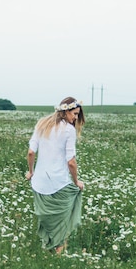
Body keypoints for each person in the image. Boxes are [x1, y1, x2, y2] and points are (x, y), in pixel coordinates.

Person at [26, 96, 86, 254]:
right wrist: (76, 181)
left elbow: (31, 152)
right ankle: (57, 259)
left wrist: (31, 172)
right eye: (74, 113)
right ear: (65, 112)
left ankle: (48, 252)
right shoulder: (68, 130)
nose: (75, 118)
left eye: (77, 115)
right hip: (58, 183)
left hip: (38, 184)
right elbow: (71, 162)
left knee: (49, 222)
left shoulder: (42, 124)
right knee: (63, 222)